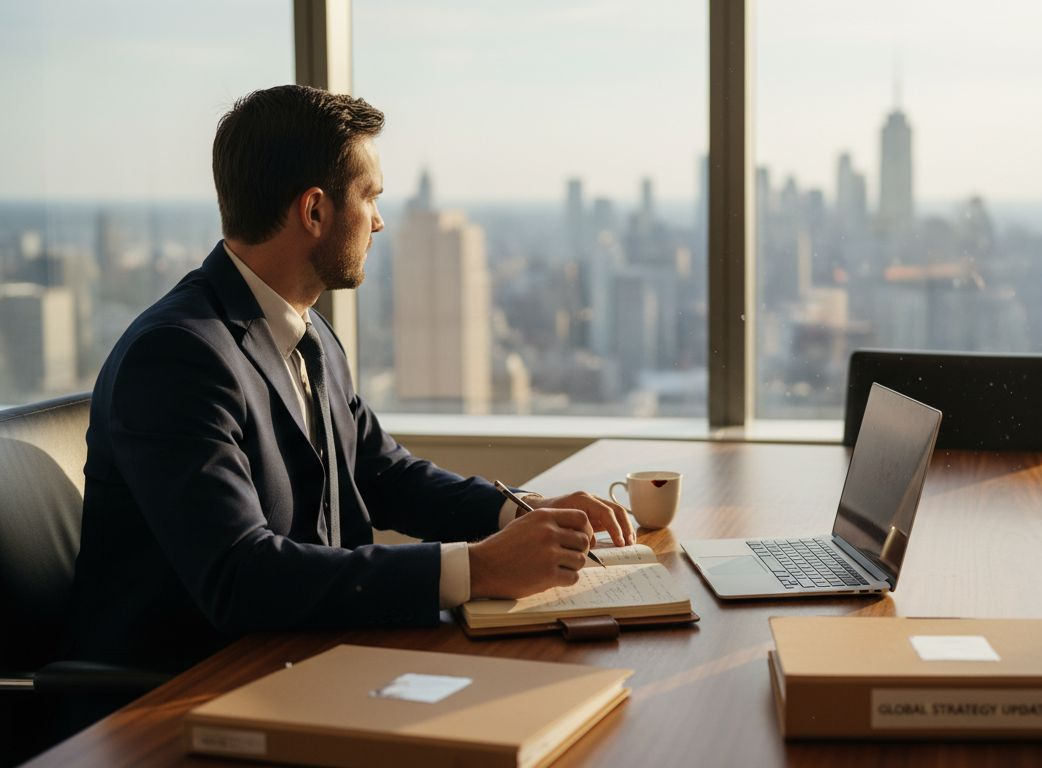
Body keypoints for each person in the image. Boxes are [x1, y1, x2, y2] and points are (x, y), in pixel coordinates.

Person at [66, 85, 634, 673]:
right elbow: (240, 576)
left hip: (312, 658)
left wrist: (517, 514)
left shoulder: (310, 337)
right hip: (184, 696)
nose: (380, 221)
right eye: (370, 196)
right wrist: (479, 568)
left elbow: (383, 474)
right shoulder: (178, 356)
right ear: (314, 211)